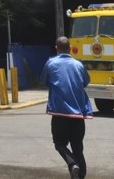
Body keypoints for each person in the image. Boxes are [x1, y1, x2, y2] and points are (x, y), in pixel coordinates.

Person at [42, 36, 92, 179]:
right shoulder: (78, 65)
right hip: (78, 114)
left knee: (59, 144)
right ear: (70, 49)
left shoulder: (50, 63)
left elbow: (45, 81)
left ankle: (72, 164)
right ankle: (78, 171)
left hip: (59, 113)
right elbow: (86, 81)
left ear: (56, 48)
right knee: (78, 148)